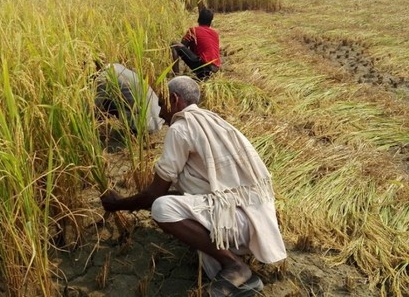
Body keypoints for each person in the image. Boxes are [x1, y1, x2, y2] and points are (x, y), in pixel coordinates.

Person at [101, 76, 286, 297]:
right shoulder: (215, 121)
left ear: (174, 99)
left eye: (161, 103)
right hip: (259, 223)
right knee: (182, 204)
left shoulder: (181, 128)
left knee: (163, 207)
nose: (159, 112)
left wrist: (117, 204)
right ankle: (243, 279)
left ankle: (235, 265)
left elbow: (154, 195)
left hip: (237, 225)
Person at [94, 62, 164, 134]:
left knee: (106, 102)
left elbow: (95, 107)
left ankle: (100, 132)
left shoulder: (104, 76)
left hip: (144, 125)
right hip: (158, 118)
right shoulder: (119, 67)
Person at [171, 8, 221, 81]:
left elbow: (182, 47)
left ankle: (176, 77)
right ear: (210, 22)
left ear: (198, 19)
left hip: (204, 67)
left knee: (175, 45)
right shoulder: (215, 33)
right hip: (215, 69)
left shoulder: (193, 30)